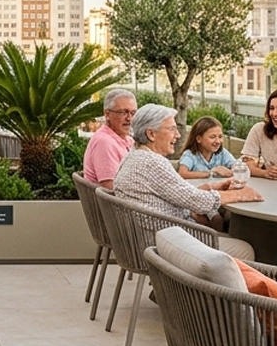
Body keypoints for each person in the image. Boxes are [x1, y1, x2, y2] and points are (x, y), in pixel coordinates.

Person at [112, 104, 261, 259]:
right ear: (151, 134)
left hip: (154, 239)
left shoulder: (135, 156)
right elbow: (196, 202)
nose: (177, 135)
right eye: (171, 129)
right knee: (245, 249)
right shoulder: (151, 162)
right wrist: (240, 195)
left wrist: (213, 186)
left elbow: (181, 193)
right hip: (169, 244)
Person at [83, 87, 137, 185]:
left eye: (133, 113)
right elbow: (110, 188)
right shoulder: (104, 142)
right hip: (116, 200)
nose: (129, 118)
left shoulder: (128, 139)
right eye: (123, 112)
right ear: (107, 114)